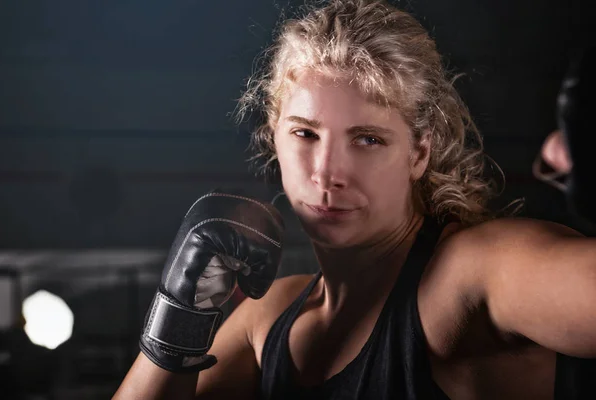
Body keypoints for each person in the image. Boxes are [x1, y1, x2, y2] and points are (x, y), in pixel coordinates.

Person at [114, 1, 596, 399]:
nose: (327, 172)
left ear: (418, 153)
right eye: (305, 133)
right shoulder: (269, 318)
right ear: (271, 137)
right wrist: (178, 318)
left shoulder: (471, 275)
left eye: (367, 139)